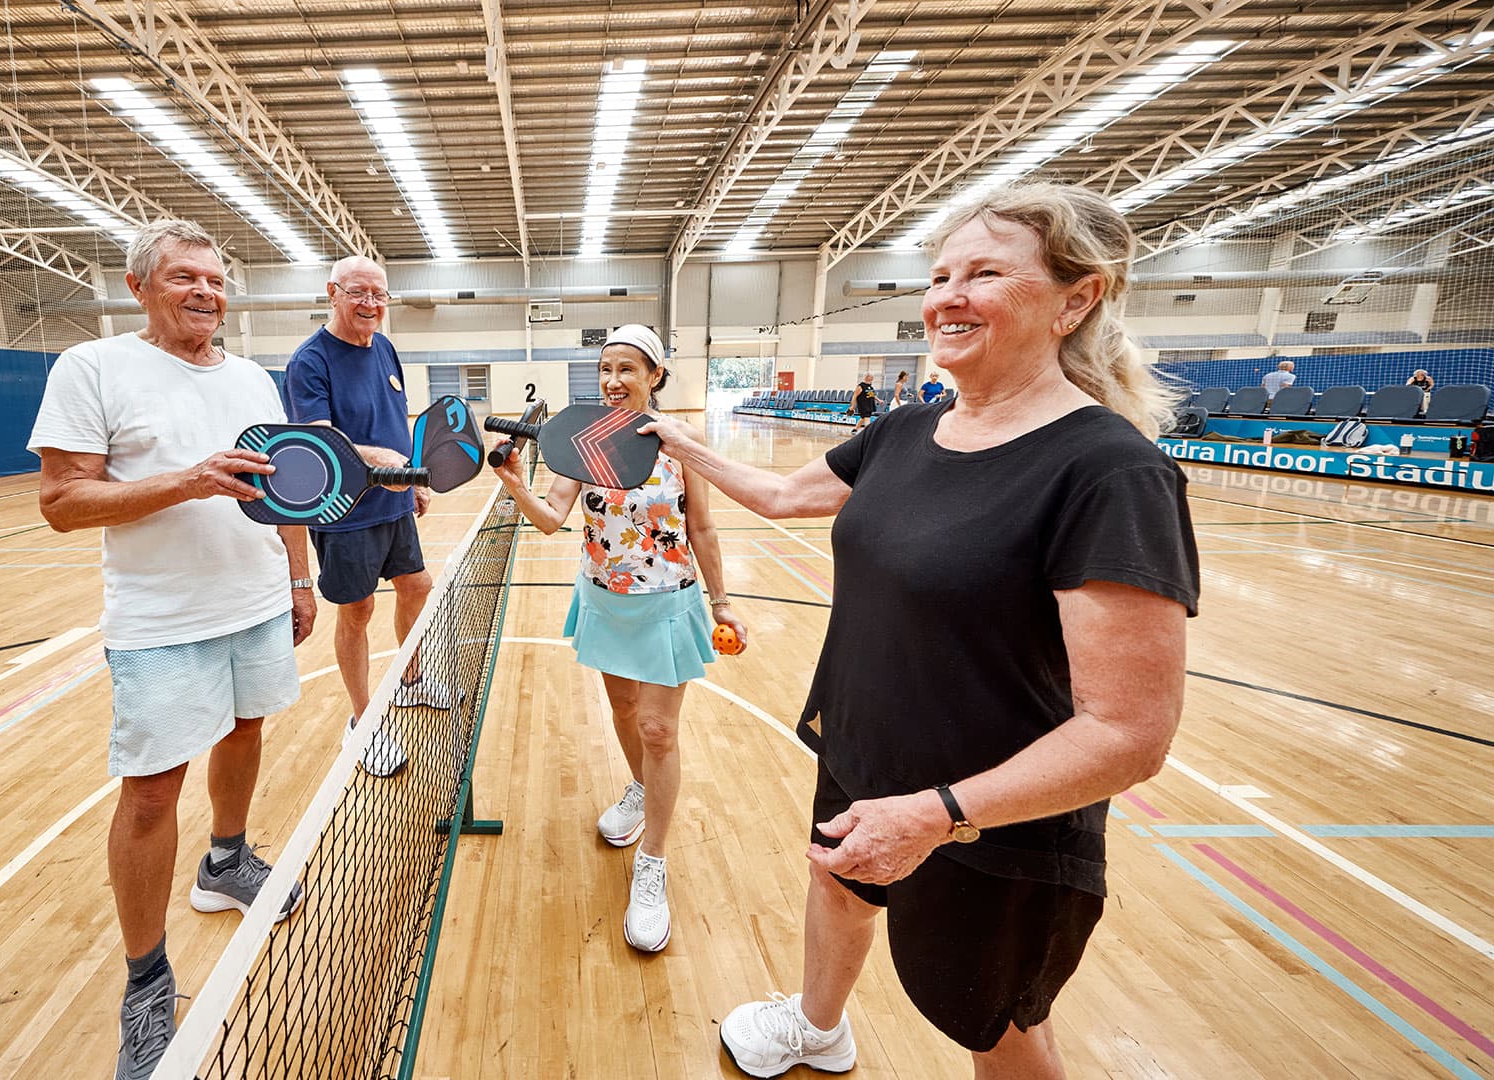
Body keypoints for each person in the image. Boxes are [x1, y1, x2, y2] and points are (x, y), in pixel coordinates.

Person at [644, 181, 1198, 1079]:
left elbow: (1130, 734)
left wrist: (939, 815)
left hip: (990, 816)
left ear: (1077, 298)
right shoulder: (904, 430)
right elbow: (786, 496)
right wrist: (676, 441)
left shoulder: (1108, 473)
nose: (948, 296)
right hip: (867, 752)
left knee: (996, 1026)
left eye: (984, 274)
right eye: (940, 275)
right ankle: (818, 1027)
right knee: (837, 880)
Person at [28, 220, 323, 1080]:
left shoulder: (252, 378)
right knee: (153, 798)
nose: (206, 292)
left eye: (217, 280)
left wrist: (298, 581)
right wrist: (191, 479)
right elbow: (61, 500)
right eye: (186, 278)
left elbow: (287, 488)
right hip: (159, 621)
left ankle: (227, 860)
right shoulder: (92, 368)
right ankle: (147, 984)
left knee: (246, 731)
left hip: (258, 599)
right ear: (140, 286)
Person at [490, 324, 747, 953]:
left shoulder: (682, 446)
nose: (612, 381)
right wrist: (516, 482)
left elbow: (704, 529)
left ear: (655, 376)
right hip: (606, 600)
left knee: (659, 729)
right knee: (625, 711)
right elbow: (552, 520)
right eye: (605, 370)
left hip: (668, 601)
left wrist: (724, 600)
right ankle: (638, 788)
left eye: (627, 369)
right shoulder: (584, 444)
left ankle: (652, 864)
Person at [283, 255, 451, 780]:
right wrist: (381, 461)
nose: (371, 304)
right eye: (359, 293)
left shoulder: (384, 346)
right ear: (332, 292)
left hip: (394, 500)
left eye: (379, 295)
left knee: (417, 585)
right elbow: (317, 444)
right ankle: (361, 722)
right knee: (355, 613)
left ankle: (413, 680)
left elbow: (396, 417)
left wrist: (413, 479)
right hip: (345, 511)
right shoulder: (309, 361)